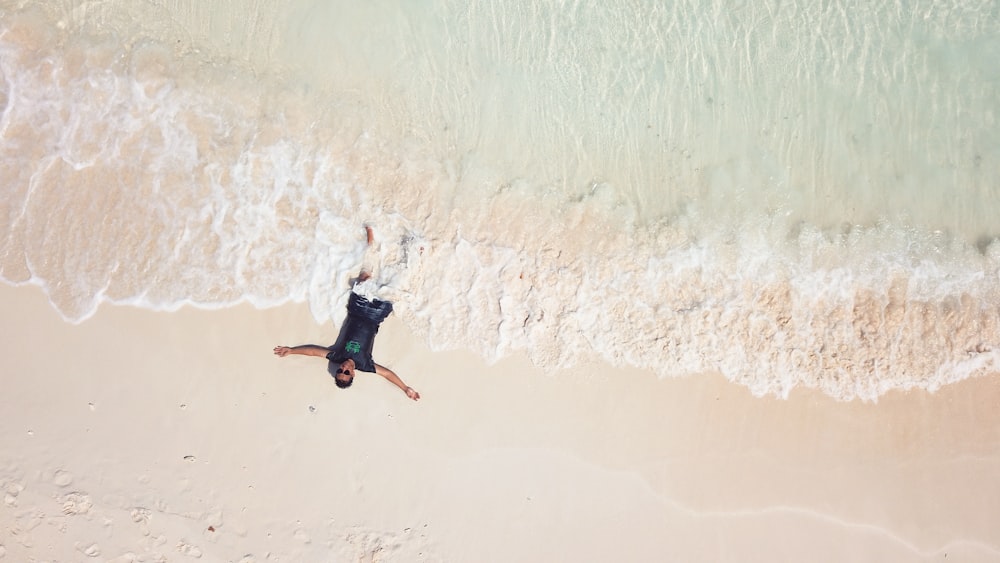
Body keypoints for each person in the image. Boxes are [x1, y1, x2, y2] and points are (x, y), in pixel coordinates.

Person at [273, 226, 420, 401]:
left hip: (357, 308)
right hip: (376, 315)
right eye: (346, 373)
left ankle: (372, 239)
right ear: (353, 374)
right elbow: (387, 374)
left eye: (340, 371)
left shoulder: (337, 356)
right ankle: (413, 250)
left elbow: (313, 351)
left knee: (365, 276)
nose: (343, 368)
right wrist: (405, 388)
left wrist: (291, 351)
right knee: (396, 283)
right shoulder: (365, 364)